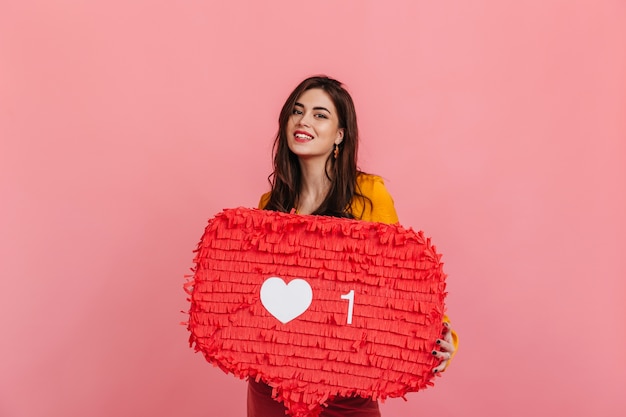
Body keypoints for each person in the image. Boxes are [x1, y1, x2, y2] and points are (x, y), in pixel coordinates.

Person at [248, 75, 458, 417]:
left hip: (347, 386)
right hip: (272, 385)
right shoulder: (269, 205)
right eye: (297, 111)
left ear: (340, 135)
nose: (304, 121)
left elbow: (402, 278)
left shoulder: (368, 197)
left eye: (320, 114)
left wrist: (438, 337)